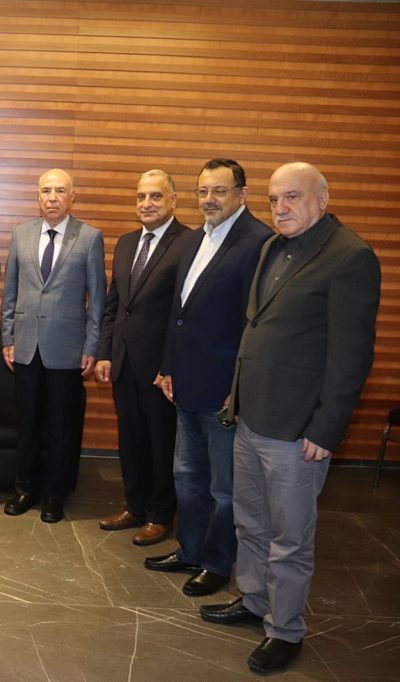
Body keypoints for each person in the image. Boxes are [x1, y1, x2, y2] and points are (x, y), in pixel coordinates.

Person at [200, 162, 380, 674]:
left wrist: (327, 427)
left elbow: (351, 355)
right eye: (275, 199)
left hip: (298, 431)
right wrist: (236, 395)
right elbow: (257, 328)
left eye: (293, 197)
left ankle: (285, 630)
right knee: (250, 522)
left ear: (322, 198)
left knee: (290, 538)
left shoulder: (350, 257)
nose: (281, 208)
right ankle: (255, 600)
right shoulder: (272, 248)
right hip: (251, 416)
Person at [145, 159, 271, 597]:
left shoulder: (258, 242)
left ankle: (217, 563)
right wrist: (167, 366)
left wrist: (239, 386)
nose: (210, 200)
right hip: (185, 382)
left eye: (220, 190)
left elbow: (255, 324)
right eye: (203, 191)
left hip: (223, 390)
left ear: (242, 194)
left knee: (224, 487)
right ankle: (191, 549)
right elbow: (178, 313)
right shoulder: (196, 238)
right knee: (187, 476)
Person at [0, 169, 105, 522]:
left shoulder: (89, 237)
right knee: (27, 425)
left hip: (68, 349)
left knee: (62, 429)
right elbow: (10, 291)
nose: (52, 197)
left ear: (72, 197)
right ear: (38, 196)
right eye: (46, 190)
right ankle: (26, 488)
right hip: (26, 346)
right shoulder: (21, 234)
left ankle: (54, 495)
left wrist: (92, 345)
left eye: (60, 190)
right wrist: (8, 338)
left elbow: (98, 299)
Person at [95, 170, 192, 545]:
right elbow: (114, 304)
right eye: (141, 197)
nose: (146, 204)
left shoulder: (189, 243)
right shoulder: (125, 243)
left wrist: (170, 365)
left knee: (161, 442)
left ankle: (160, 515)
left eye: (155, 196)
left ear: (173, 200)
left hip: (160, 368)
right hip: (123, 362)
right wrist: (105, 353)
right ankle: (134, 506)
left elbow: (183, 313)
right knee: (131, 439)